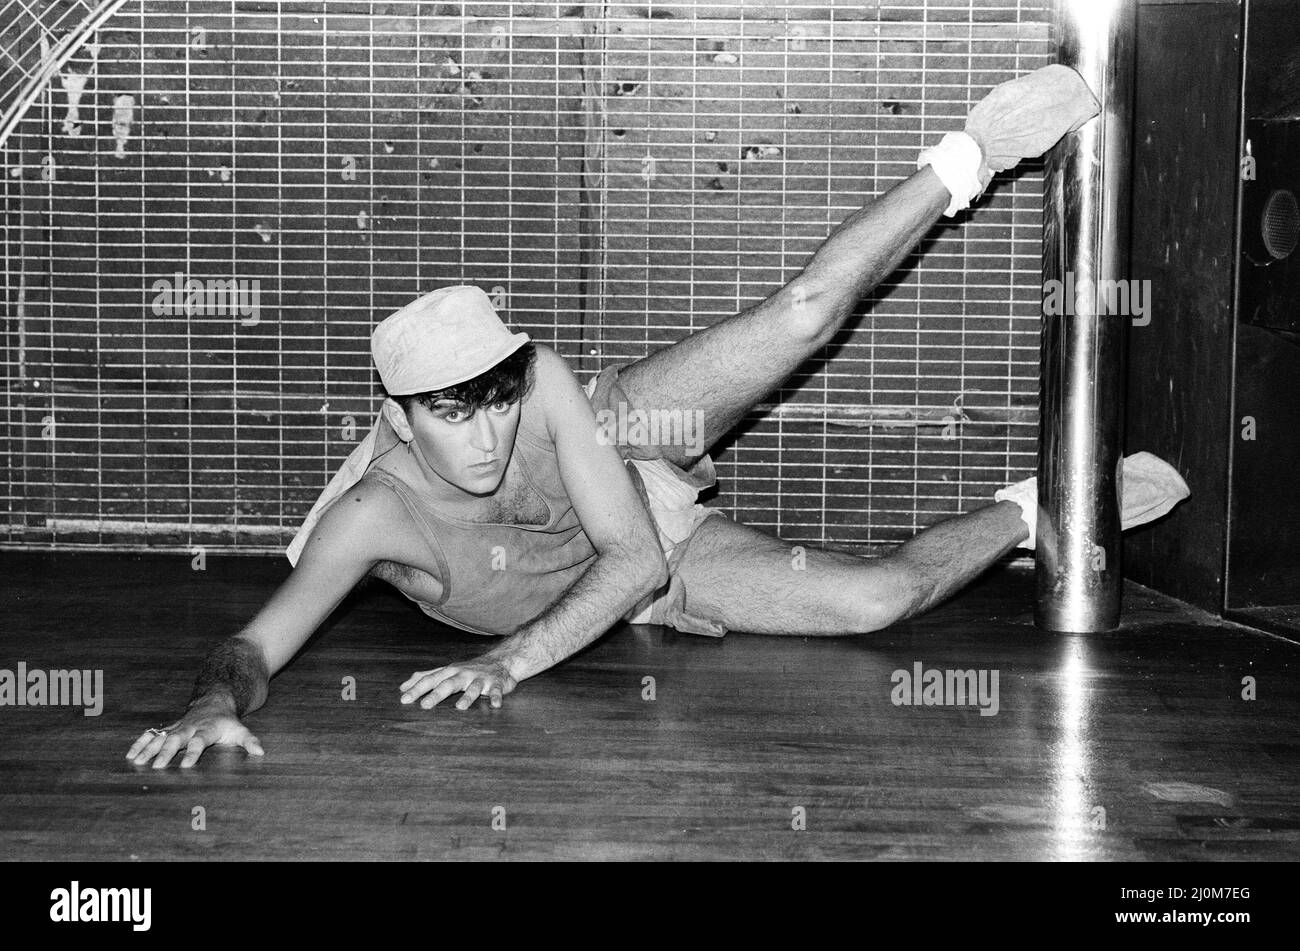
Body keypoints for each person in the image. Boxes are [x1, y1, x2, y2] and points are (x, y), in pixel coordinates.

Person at [126, 65, 1189, 770]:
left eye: (495, 400)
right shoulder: (371, 515)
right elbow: (251, 646)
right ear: (399, 424)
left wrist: (510, 662)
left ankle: (969, 155)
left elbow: (626, 548)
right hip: (628, 573)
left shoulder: (532, 388)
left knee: (799, 316)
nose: (487, 436)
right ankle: (1044, 502)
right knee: (875, 602)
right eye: (454, 416)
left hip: (617, 447)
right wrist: (213, 703)